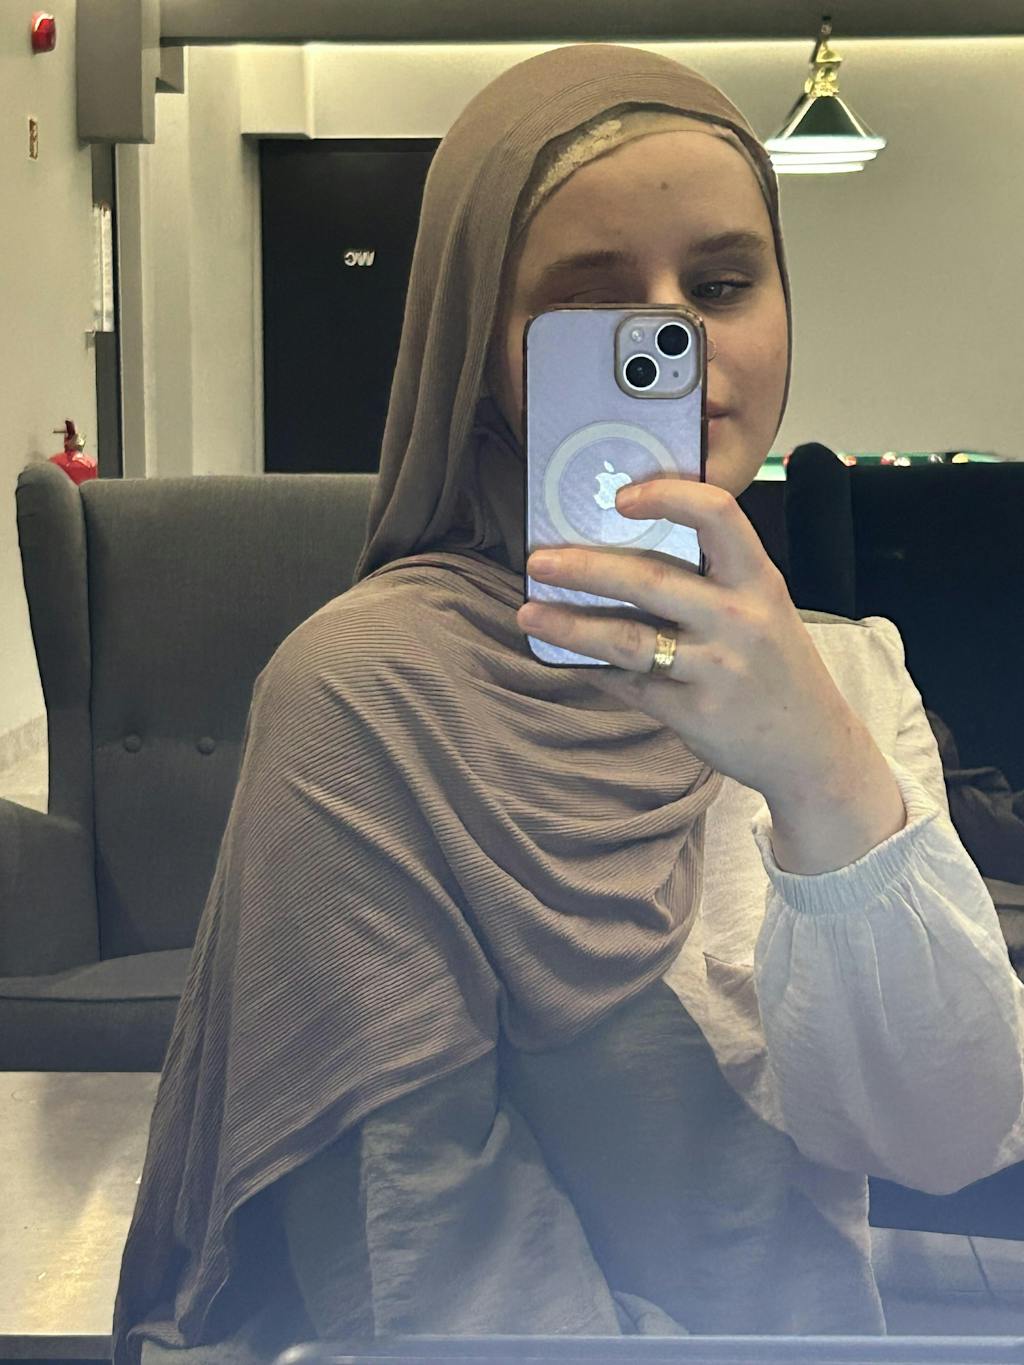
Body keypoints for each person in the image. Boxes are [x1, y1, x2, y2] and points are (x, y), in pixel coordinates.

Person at [111, 42, 1024, 1365]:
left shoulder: (843, 679)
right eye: (591, 308)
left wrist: (818, 773)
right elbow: (422, 1247)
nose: (678, 346)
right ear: (476, 350)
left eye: (723, 285)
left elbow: (945, 1135)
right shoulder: (365, 695)